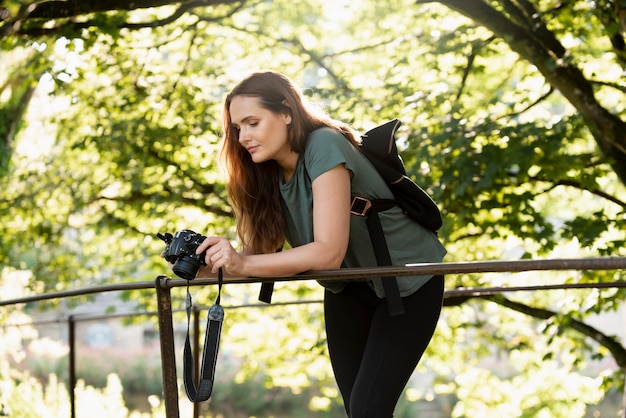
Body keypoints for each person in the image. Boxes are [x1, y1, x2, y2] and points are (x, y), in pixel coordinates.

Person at [192, 70, 446, 417]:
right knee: (358, 411)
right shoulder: (265, 174)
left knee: (368, 408)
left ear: (286, 112)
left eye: (252, 122)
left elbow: (329, 251)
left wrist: (242, 263)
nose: (243, 137)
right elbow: (257, 257)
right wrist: (210, 267)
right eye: (237, 128)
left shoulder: (323, 144)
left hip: (407, 279)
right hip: (347, 288)